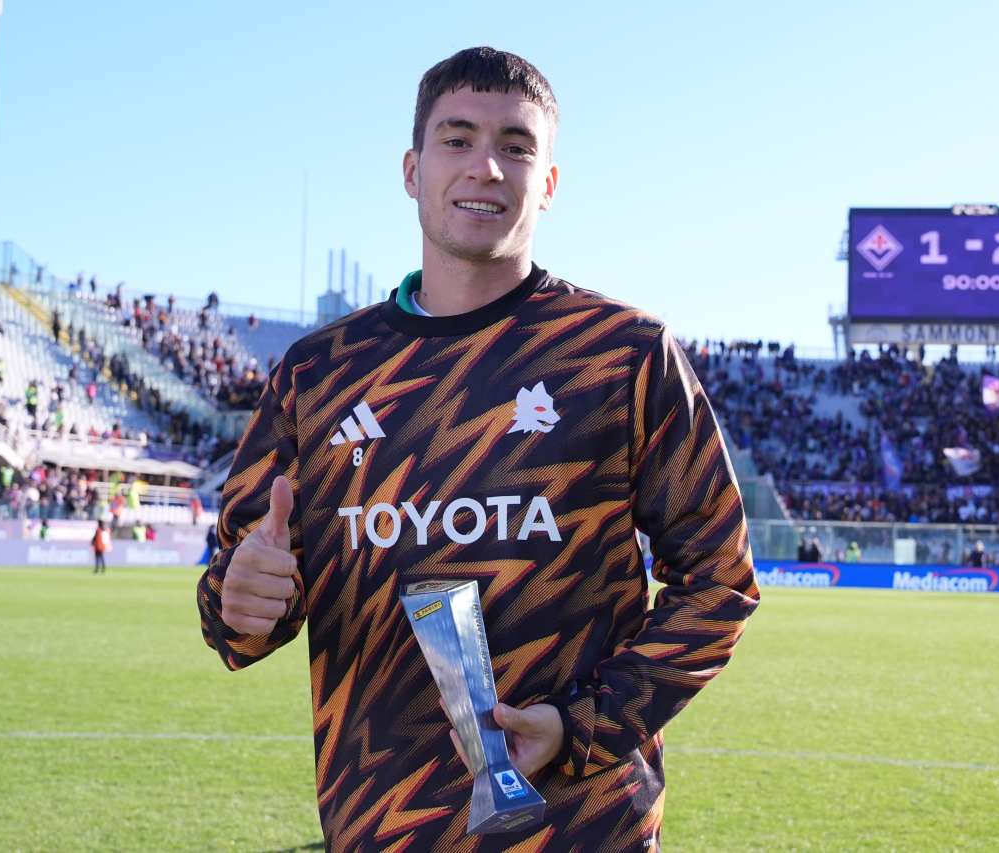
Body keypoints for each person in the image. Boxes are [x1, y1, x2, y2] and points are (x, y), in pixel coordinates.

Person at [195, 47, 759, 850]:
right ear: (412, 169)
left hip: (583, 828)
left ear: (549, 183)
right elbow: (237, 618)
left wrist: (582, 724)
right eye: (457, 139)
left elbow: (720, 581)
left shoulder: (623, 355)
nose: (485, 167)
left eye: (515, 147)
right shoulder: (316, 375)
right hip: (385, 825)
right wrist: (240, 601)